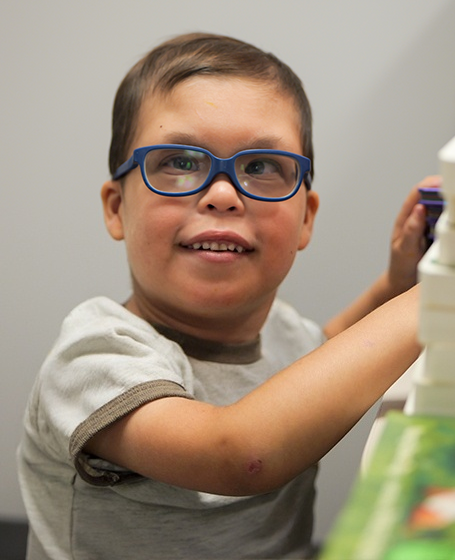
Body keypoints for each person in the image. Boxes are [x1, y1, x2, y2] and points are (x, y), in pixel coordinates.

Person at [18, 32, 441, 559]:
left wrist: (400, 284)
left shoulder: (279, 329)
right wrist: (437, 299)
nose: (222, 195)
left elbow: (321, 356)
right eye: (179, 162)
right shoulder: (94, 358)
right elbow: (238, 454)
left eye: (261, 167)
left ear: (306, 218)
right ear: (115, 207)